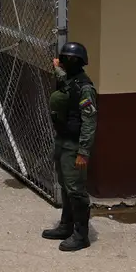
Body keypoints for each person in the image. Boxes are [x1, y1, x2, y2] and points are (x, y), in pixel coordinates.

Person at [41, 42, 98, 252]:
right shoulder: (70, 81)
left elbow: (89, 122)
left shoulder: (85, 88)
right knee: (65, 185)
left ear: (80, 62)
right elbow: (64, 81)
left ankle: (81, 235)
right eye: (65, 58)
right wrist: (56, 67)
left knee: (76, 190)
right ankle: (66, 225)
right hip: (63, 140)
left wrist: (84, 152)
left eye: (70, 59)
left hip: (75, 146)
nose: (66, 62)